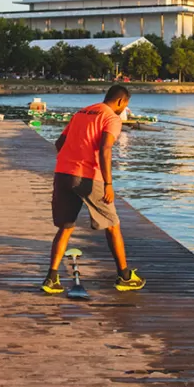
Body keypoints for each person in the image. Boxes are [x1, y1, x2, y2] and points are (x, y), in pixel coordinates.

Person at [42, 84, 144, 294]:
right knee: (112, 224)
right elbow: (105, 150)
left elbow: (59, 143)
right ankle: (124, 276)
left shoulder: (81, 112)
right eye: (125, 105)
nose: (123, 109)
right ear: (120, 102)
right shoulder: (111, 118)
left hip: (63, 173)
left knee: (66, 227)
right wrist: (108, 183)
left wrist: (72, 159)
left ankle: (51, 278)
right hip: (88, 176)